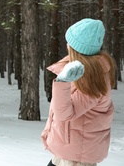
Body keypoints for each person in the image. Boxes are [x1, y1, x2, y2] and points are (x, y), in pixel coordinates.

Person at [41, 18, 116, 166]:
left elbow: (64, 113)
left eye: (70, 42)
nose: (67, 45)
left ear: (78, 49)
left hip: (76, 158)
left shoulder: (92, 79)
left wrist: (62, 82)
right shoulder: (80, 69)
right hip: (70, 152)